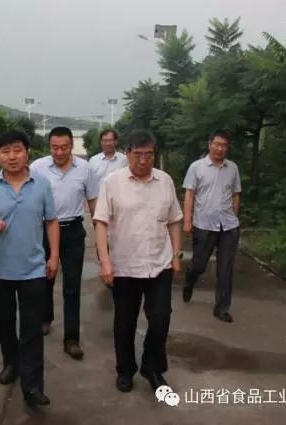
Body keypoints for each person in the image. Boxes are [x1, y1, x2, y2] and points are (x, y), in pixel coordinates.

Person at [0, 131, 60, 406]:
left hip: (33, 268)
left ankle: (32, 386)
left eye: (17, 150)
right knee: (5, 321)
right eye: (6, 151)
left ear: (27, 152)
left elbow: (51, 221)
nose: (12, 156)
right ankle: (11, 362)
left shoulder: (41, 184)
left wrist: (54, 256)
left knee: (32, 328)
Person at [93, 129, 182, 394]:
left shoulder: (165, 181)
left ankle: (152, 368)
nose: (144, 160)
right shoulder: (112, 182)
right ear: (128, 153)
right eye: (138, 154)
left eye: (149, 155)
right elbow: (100, 223)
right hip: (124, 266)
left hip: (159, 263)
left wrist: (176, 254)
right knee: (125, 322)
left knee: (161, 318)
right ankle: (125, 370)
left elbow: (174, 220)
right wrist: (105, 262)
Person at [30, 126, 99, 360]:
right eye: (54, 148)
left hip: (73, 231)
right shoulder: (37, 168)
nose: (59, 152)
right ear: (49, 147)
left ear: (71, 146)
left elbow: (93, 201)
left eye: (64, 147)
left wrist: (102, 232)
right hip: (43, 231)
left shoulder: (85, 169)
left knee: (72, 286)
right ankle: (45, 318)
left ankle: (71, 339)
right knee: (43, 280)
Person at [182, 130, 241, 323]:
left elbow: (236, 194)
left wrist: (235, 216)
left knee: (225, 270)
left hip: (228, 226)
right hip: (204, 225)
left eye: (224, 145)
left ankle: (221, 308)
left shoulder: (232, 168)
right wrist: (187, 220)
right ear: (210, 145)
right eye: (217, 144)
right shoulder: (197, 167)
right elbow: (189, 195)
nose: (220, 148)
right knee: (199, 265)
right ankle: (190, 280)